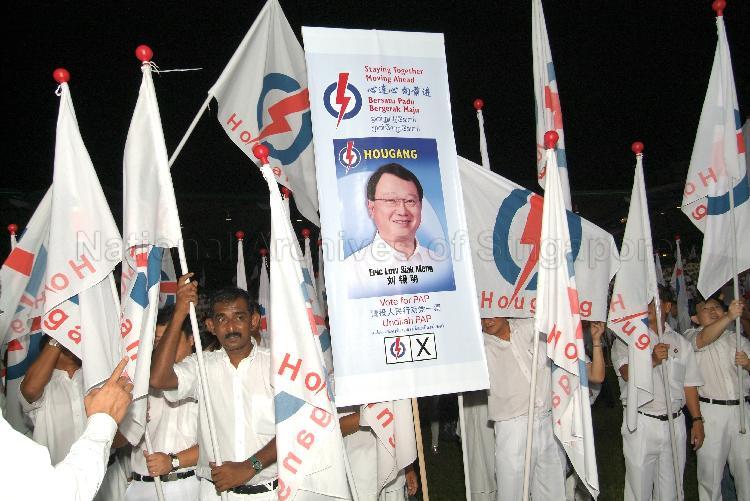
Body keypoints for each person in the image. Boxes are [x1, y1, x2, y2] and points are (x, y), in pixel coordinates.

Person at [150, 274, 277, 499]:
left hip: (268, 493)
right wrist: (180, 312)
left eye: (239, 317)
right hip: (215, 494)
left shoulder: (277, 367)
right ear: (210, 326)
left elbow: (294, 426)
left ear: (254, 321)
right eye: (221, 319)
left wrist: (250, 466)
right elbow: (159, 379)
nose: (231, 326)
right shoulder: (202, 366)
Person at [612, 285, 705, 501]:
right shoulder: (627, 340)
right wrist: (652, 360)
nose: (646, 306)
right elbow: (626, 373)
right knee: (639, 488)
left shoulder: (680, 343)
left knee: (672, 489)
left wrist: (698, 420)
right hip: (642, 422)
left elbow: (689, 384)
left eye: (652, 300)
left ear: (666, 306)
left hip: (675, 422)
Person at [0, 356, 133, 501]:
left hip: (108, 478)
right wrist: (57, 337)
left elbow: (120, 439)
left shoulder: (99, 379)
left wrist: (113, 422)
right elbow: (62, 493)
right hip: (63, 479)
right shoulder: (43, 383)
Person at [482, 316, 566, 501]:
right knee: (512, 491)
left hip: (547, 420)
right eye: (482, 316)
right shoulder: (480, 346)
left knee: (553, 487)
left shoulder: (531, 326)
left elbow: (558, 318)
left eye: (491, 313)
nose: (486, 320)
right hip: (512, 426)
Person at [344, 163, 454, 298]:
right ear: (371, 208)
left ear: (420, 207)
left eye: (410, 201)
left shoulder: (444, 267)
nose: (402, 211)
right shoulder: (350, 271)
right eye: (391, 200)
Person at [125, 304, 200, 501]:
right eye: (159, 341)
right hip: (141, 488)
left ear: (191, 339)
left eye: (171, 338)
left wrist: (173, 461)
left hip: (187, 487)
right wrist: (127, 417)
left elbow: (219, 444)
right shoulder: (140, 382)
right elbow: (118, 441)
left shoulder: (207, 377)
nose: (164, 347)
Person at [683, 296, 750, 501]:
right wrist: (730, 315)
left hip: (741, 410)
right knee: (710, 473)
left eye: (717, 308)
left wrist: (748, 365)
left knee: (746, 469)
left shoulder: (738, 339)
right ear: (695, 318)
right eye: (706, 309)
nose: (713, 311)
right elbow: (704, 339)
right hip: (711, 412)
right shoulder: (689, 337)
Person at [339, 403, 419, 501]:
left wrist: (408, 467)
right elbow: (337, 426)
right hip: (361, 476)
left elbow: (401, 422)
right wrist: (372, 413)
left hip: (394, 473)